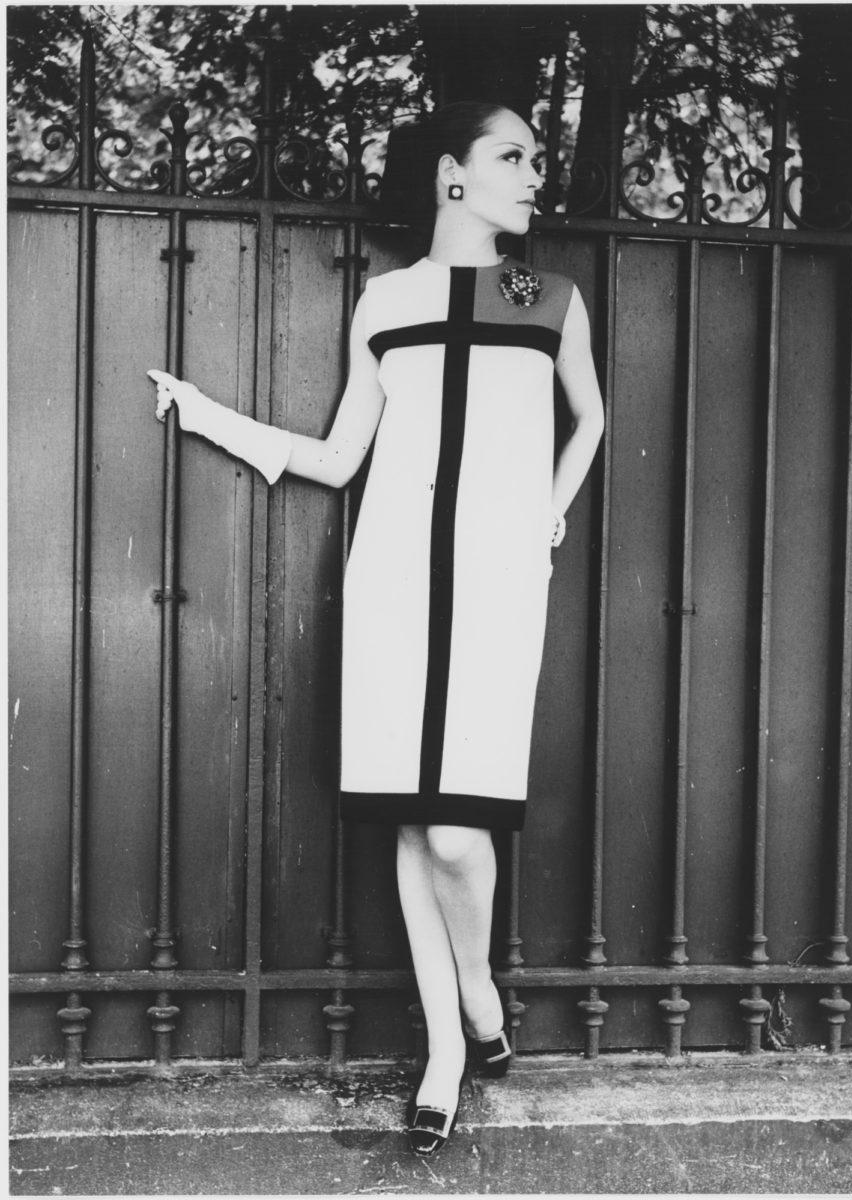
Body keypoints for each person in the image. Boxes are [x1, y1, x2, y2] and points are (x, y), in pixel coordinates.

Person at [149, 100, 604, 1156]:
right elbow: (340, 456)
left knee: (455, 828)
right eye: (512, 156)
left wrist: (547, 513)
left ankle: (478, 989)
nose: (533, 174)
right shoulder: (385, 301)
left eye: (534, 159)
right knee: (409, 819)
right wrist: (208, 415)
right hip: (392, 579)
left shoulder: (544, 295)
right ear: (452, 174)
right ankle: (448, 1049)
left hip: (497, 581)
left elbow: (589, 418)